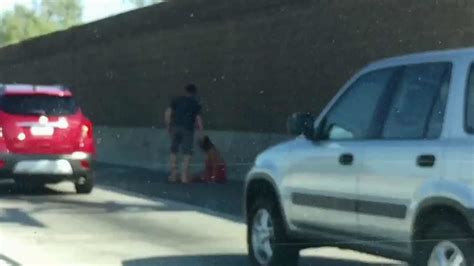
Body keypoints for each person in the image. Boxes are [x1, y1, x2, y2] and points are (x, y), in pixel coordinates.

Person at [164, 84, 203, 183]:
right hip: (188, 128)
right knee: (187, 152)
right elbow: (198, 119)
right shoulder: (195, 103)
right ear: (194, 93)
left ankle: (173, 174)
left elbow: (168, 112)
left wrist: (168, 125)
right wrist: (200, 132)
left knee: (174, 150)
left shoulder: (177, 100)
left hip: (176, 126)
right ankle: (184, 176)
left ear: (185, 91)